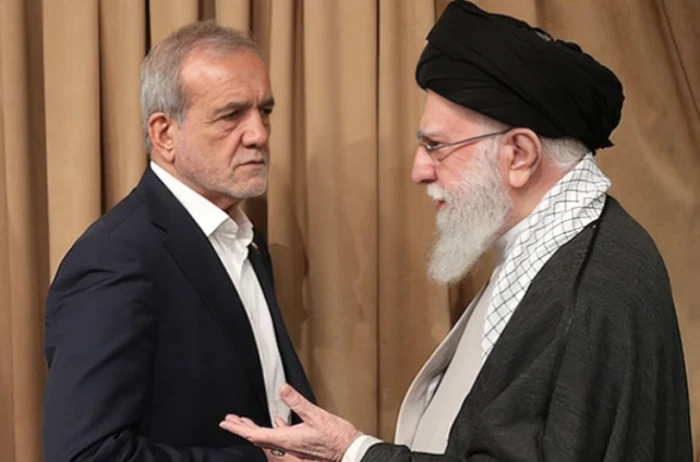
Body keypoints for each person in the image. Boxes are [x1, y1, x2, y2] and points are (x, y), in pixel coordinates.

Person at [219, 1, 693, 461]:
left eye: (437, 146)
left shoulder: (589, 286)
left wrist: (354, 453)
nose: (419, 171)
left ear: (520, 154)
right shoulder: (562, 245)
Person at [42, 21, 314, 462]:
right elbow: (86, 455)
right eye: (231, 115)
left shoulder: (246, 239)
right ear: (164, 134)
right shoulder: (114, 258)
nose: (259, 134)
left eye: (264, 111)